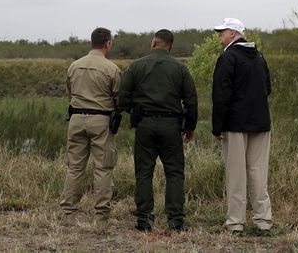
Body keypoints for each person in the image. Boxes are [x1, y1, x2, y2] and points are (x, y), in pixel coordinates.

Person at [118, 29, 198, 232]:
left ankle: (144, 220)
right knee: (175, 173)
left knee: (144, 172)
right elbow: (191, 101)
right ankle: (176, 221)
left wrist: (136, 112)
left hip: (145, 125)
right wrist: (189, 127)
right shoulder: (180, 68)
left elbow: (122, 99)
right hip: (171, 126)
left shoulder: (136, 66)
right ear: (170, 46)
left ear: (154, 43)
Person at [211, 17, 273, 234]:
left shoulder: (228, 58)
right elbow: (268, 88)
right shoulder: (259, 56)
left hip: (235, 124)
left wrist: (217, 126)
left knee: (236, 174)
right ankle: (263, 221)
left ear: (233, 34)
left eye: (222, 33)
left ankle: (236, 222)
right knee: (258, 172)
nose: (220, 37)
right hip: (261, 123)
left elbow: (221, 95)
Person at [60, 27, 122, 222]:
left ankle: (68, 211)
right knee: (103, 167)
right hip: (101, 120)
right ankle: (101, 214)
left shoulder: (74, 66)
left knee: (74, 167)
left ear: (91, 42)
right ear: (108, 44)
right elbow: (118, 98)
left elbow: (70, 94)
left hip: (76, 119)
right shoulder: (111, 68)